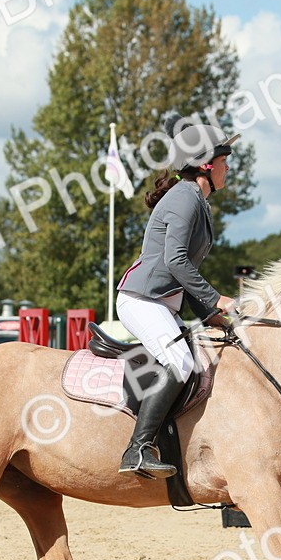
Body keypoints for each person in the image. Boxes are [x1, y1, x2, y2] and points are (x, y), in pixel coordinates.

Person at [114, 113, 239, 478]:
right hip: (141, 299)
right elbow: (176, 260)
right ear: (205, 165)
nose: (228, 168)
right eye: (224, 161)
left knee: (201, 357)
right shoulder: (185, 198)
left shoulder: (196, 199)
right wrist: (216, 299)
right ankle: (137, 450)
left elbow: (184, 273)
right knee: (180, 363)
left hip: (161, 303)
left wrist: (211, 316)